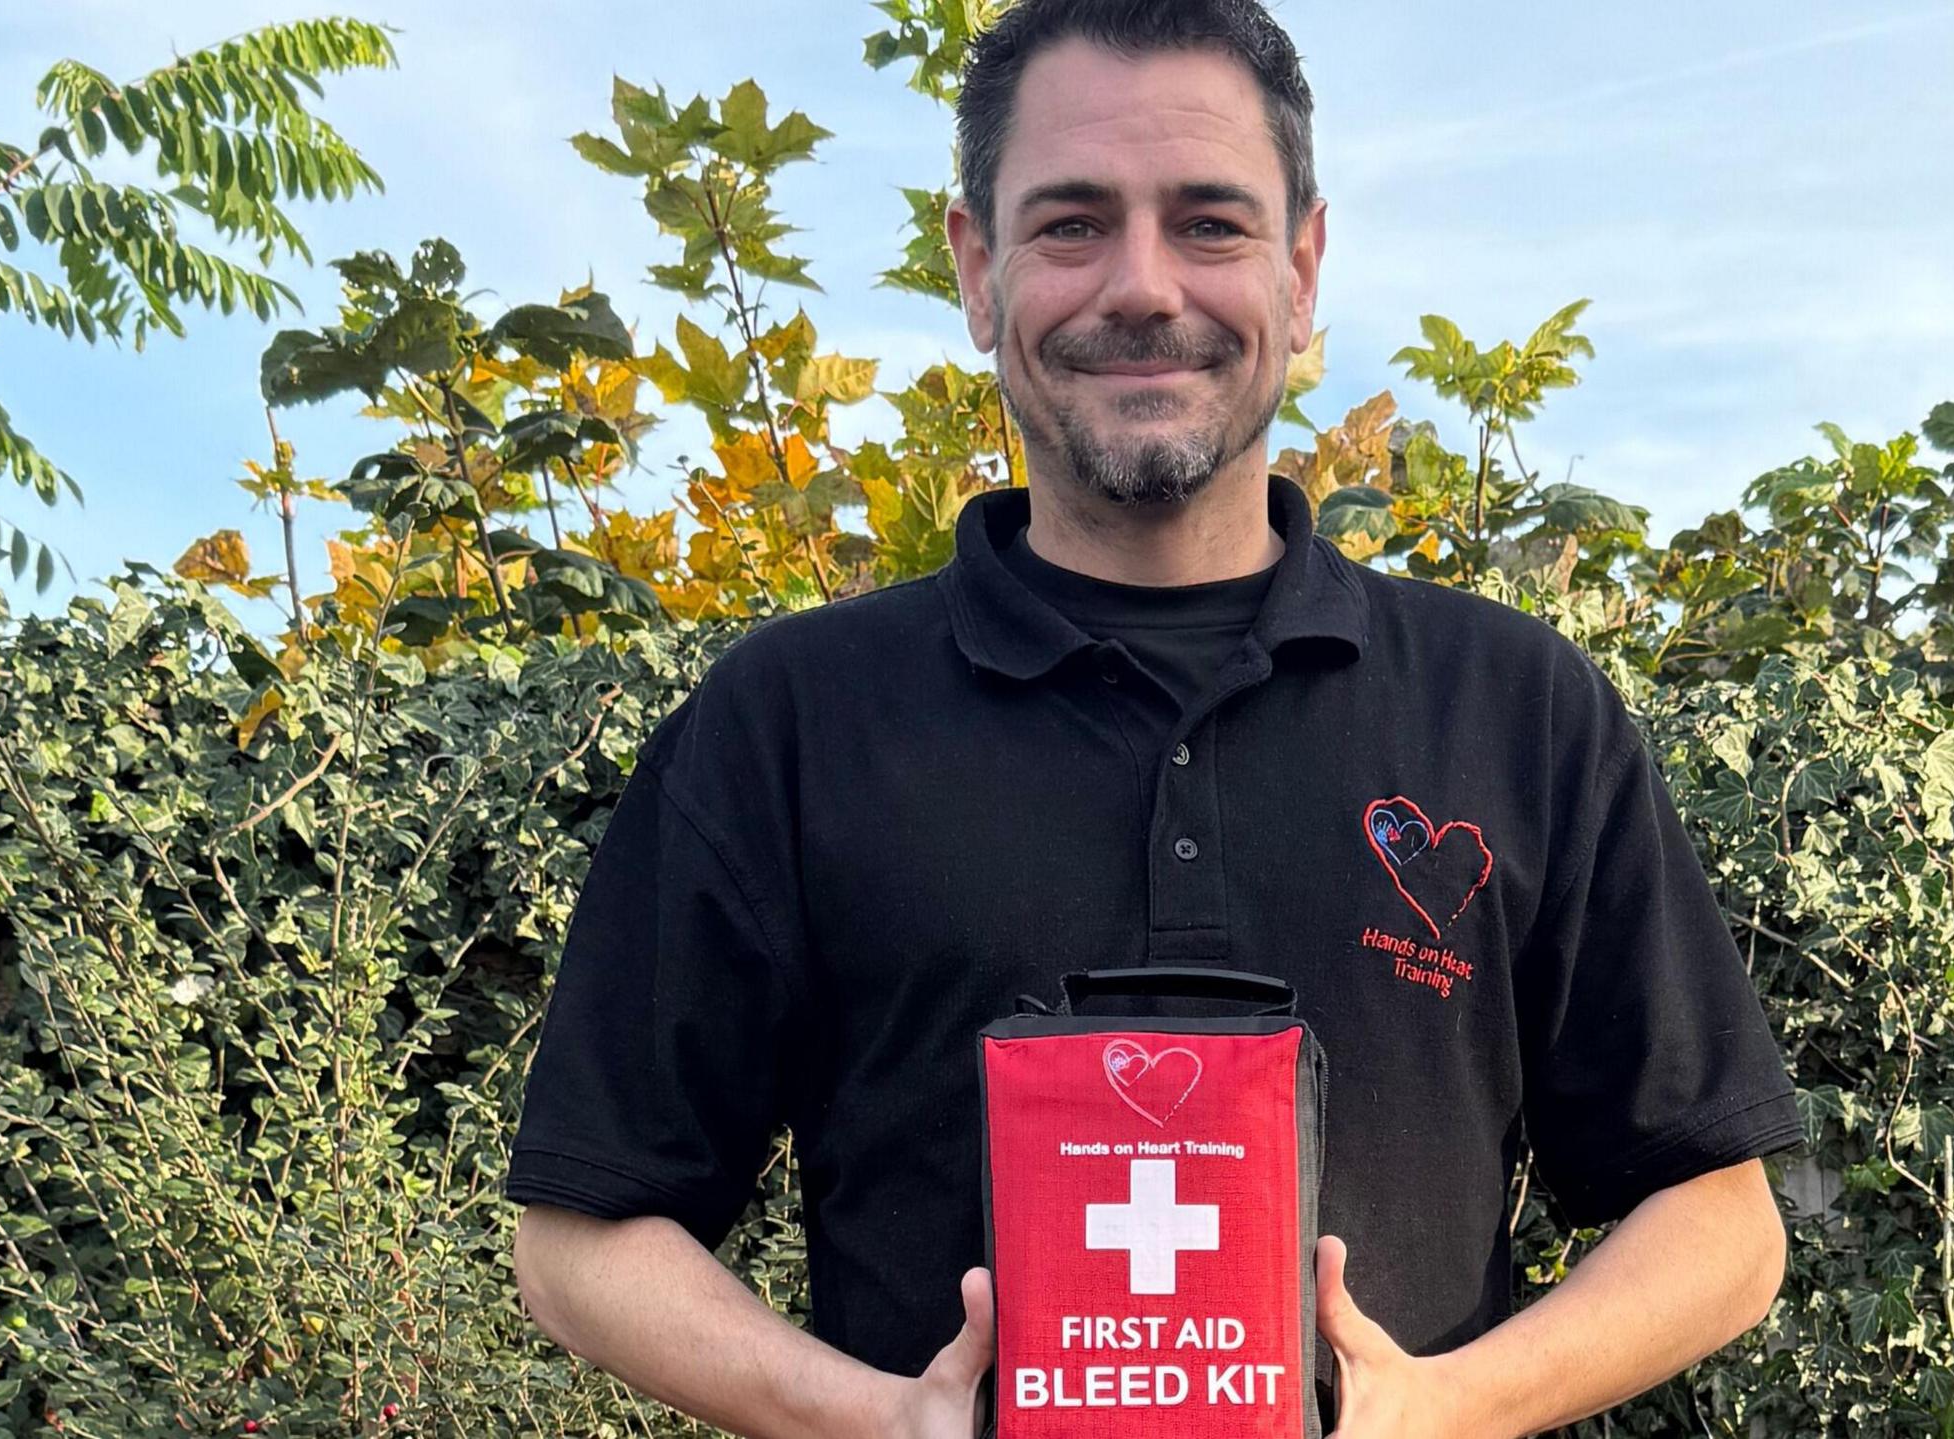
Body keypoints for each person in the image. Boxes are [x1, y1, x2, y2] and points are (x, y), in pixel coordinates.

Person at [504, 2, 1803, 1434]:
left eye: (1209, 225)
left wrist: (1451, 1409)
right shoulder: (787, 722)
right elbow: (577, 1242)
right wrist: (878, 1422)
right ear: (977, 271)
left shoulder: (1517, 708)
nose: (1140, 287)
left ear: (1302, 272)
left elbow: (1723, 1222)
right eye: (1069, 224)